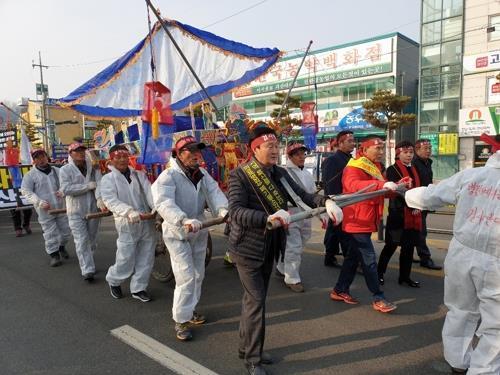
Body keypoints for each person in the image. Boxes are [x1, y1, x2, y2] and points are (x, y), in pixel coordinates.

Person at [228, 126, 343, 375]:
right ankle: (253, 359)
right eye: (269, 146)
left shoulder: (278, 173)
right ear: (254, 148)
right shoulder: (240, 175)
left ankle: (246, 348)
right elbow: (235, 212)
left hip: (271, 245)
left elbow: (302, 195)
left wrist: (327, 202)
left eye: (276, 146)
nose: (274, 150)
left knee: (252, 302)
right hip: (247, 248)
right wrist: (266, 218)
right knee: (256, 302)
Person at [404, 134, 500, 375]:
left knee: (460, 309)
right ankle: (484, 370)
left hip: (462, 253)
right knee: (497, 324)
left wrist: (405, 192)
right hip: (497, 262)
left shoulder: (472, 176)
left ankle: (457, 360)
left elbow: (430, 196)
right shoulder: (473, 175)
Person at [152, 136, 228, 341]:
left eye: (198, 151)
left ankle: (190, 309)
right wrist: (182, 219)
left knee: (199, 274)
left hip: (199, 230)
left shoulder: (201, 174)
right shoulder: (168, 176)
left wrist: (222, 210)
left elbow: (215, 193)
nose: (196, 155)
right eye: (190, 151)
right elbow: (163, 203)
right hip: (178, 233)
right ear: (178, 154)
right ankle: (181, 320)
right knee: (186, 276)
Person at [330, 137, 406, 314]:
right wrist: (383, 183)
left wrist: (396, 189)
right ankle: (378, 297)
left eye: (382, 148)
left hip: (365, 219)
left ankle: (339, 290)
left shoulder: (375, 167)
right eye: (377, 148)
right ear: (364, 150)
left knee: (353, 258)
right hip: (357, 220)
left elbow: (379, 193)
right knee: (369, 259)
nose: (380, 152)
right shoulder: (354, 166)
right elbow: (353, 185)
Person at [100, 145, 156, 302]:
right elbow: (110, 200)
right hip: (127, 221)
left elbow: (149, 193)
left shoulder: (139, 175)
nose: (122, 160)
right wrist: (128, 211)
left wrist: (156, 208)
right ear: (111, 159)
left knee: (147, 256)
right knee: (126, 257)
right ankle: (114, 280)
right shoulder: (108, 179)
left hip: (145, 219)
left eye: (125, 156)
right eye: (118, 157)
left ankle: (139, 288)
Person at [377, 141, 421, 288]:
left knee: (408, 248)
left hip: (414, 213)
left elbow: (419, 189)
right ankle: (379, 273)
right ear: (398, 153)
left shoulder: (415, 168)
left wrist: (419, 204)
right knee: (391, 246)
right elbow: (394, 192)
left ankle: (405, 276)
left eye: (411, 152)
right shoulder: (392, 170)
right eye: (405, 152)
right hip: (397, 213)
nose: (409, 155)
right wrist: (412, 203)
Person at [275, 143, 318, 293]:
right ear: (290, 156)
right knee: (294, 246)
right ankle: (292, 278)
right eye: (297, 154)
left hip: (307, 213)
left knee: (303, 239)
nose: (302, 157)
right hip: (292, 213)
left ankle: (282, 266)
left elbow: (311, 192)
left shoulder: (307, 172)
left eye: (303, 154)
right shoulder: (283, 172)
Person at [59, 142, 105, 282]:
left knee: (91, 239)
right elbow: (65, 189)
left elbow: (99, 183)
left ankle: (88, 261)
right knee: (81, 240)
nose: (80, 153)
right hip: (75, 210)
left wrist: (99, 199)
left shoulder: (94, 167)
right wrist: (86, 186)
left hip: (93, 208)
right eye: (76, 151)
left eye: (82, 150)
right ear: (70, 153)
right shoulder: (65, 170)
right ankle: (87, 269)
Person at [21, 148, 71, 267]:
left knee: (66, 232)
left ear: (46, 157)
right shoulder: (30, 175)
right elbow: (26, 191)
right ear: (34, 160)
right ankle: (54, 255)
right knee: (50, 233)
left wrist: (62, 190)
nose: (41, 159)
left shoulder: (57, 171)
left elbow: (67, 183)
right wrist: (38, 202)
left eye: (42, 156)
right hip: (45, 211)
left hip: (61, 207)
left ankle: (61, 247)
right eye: (37, 157)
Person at [322, 131, 355, 267]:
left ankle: (330, 256)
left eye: (353, 141)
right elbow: (329, 183)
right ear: (340, 143)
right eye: (349, 141)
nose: (353, 144)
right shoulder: (332, 160)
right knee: (339, 230)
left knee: (335, 230)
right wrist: (333, 201)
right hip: (338, 200)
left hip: (350, 200)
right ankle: (342, 258)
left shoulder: (352, 160)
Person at [412, 139, 442, 270]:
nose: (429, 151)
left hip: (424, 199)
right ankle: (425, 258)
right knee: (420, 231)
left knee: (415, 231)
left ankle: (408, 253)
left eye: (430, 148)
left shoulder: (427, 162)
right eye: (426, 148)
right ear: (417, 150)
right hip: (416, 201)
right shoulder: (413, 163)